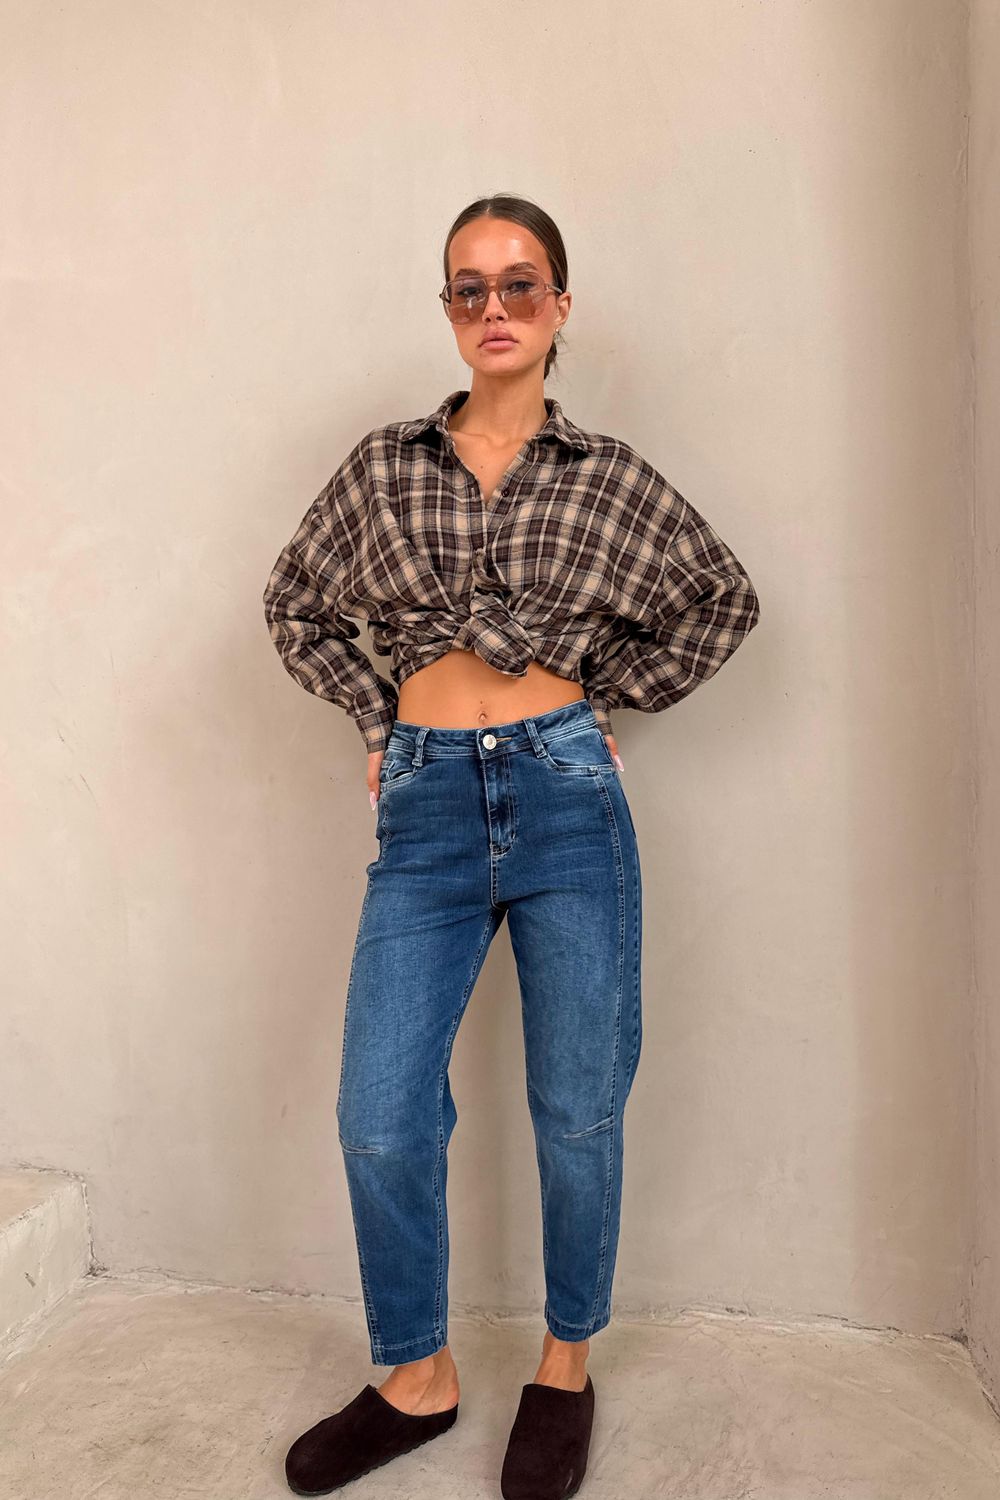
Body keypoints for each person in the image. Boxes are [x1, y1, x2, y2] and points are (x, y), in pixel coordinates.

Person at [262, 193, 761, 1499]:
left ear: (559, 306)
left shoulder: (610, 478)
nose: (495, 308)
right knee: (380, 1114)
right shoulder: (384, 469)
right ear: (447, 310)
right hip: (428, 804)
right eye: (469, 287)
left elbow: (723, 599)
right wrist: (381, 717)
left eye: (520, 284)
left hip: (565, 796)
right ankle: (415, 1378)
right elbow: (295, 604)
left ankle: (564, 1368)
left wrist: (599, 693)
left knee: (578, 1107)